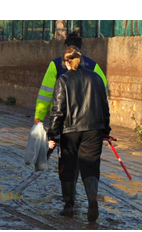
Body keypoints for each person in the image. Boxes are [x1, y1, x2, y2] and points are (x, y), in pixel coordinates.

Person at [47, 46, 110, 222]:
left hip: (70, 132)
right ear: (80, 60)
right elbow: (105, 106)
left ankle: (68, 207)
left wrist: (52, 134)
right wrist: (105, 128)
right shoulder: (96, 78)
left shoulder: (63, 80)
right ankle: (92, 198)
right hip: (94, 130)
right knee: (90, 166)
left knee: (67, 168)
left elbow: (58, 111)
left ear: (66, 62)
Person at [34, 31, 107, 125]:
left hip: (63, 119)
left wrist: (39, 116)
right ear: (81, 47)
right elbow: (103, 89)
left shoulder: (55, 65)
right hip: (88, 119)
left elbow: (46, 93)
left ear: (66, 45)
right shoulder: (93, 65)